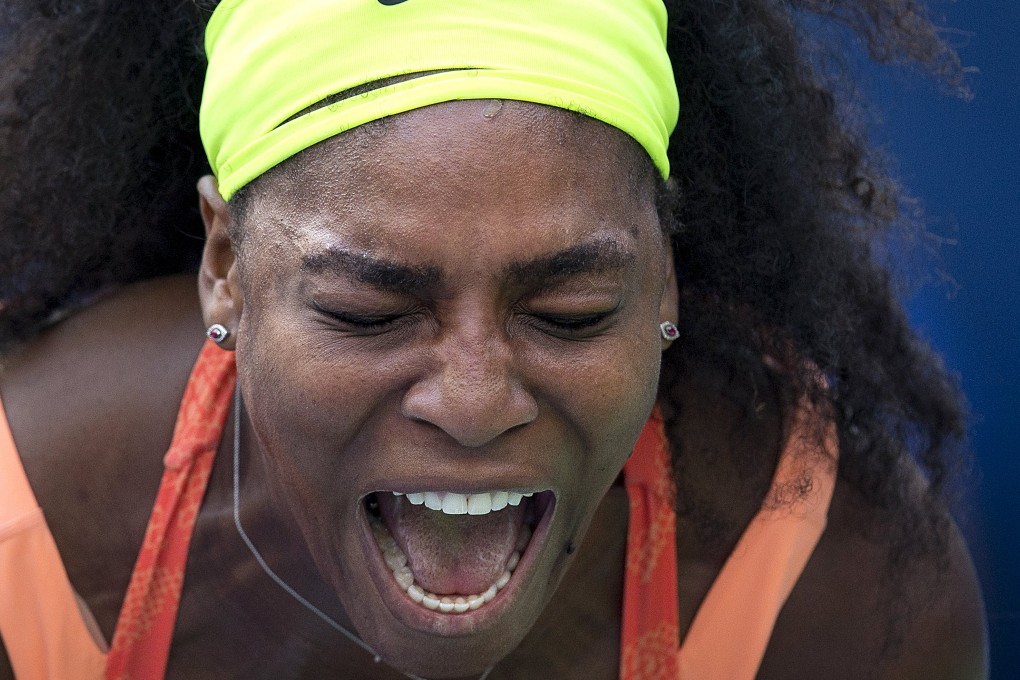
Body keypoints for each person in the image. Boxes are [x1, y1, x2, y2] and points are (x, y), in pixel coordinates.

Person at [0, 0, 988, 678]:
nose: (472, 405)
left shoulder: (837, 597)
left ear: (664, 279)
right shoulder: (28, 521)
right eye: (368, 312)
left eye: (570, 315)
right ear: (225, 268)